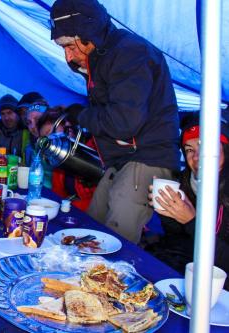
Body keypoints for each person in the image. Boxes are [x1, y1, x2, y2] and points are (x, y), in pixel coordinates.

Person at [50, 0, 180, 243]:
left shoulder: (129, 52)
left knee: (115, 241)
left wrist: (81, 114)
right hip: (121, 159)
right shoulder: (102, 57)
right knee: (92, 228)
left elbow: (123, 122)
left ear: (88, 33)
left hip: (146, 157)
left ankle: (118, 279)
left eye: (70, 45)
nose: (68, 55)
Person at [146, 117, 229, 289]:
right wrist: (168, 210)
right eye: (189, 150)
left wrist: (192, 221)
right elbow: (177, 240)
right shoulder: (185, 182)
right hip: (182, 271)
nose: (197, 157)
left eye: (204, 146)